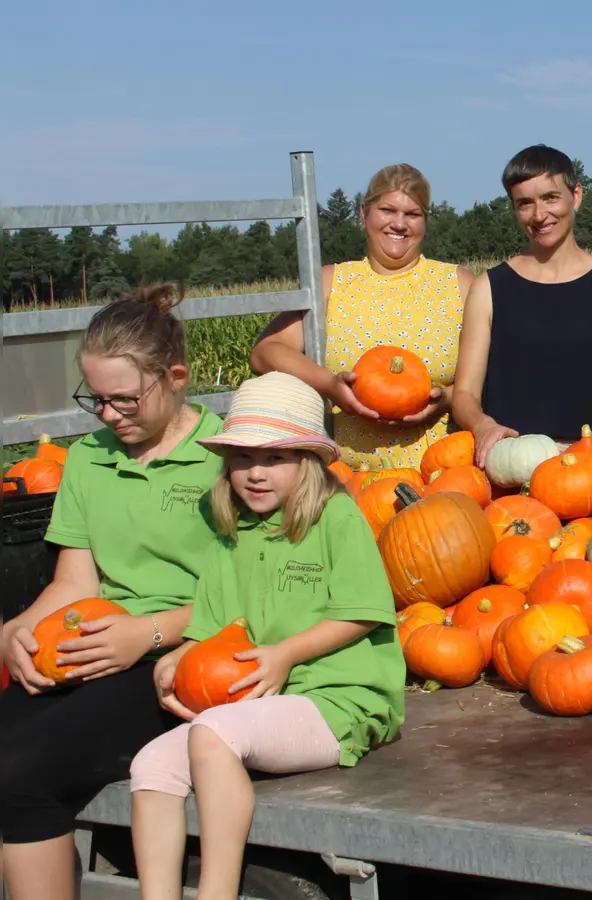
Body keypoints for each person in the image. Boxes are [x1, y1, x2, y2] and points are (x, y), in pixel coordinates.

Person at [128, 371, 404, 900]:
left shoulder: (335, 517)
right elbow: (213, 629)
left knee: (213, 734)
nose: (255, 474)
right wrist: (177, 661)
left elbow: (364, 612)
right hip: (265, 702)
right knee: (151, 766)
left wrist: (286, 654)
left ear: (309, 462)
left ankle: (217, 892)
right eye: (241, 459)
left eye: (275, 459)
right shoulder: (230, 532)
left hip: (337, 699)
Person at [0, 285, 223, 900]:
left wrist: (146, 634)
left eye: (123, 399)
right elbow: (74, 583)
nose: (107, 416)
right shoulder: (87, 460)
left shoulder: (229, 458)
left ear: (176, 377)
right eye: (94, 400)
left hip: (182, 661)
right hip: (93, 648)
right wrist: (13, 636)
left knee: (20, 772)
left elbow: (252, 594)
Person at [251, 163, 475, 471]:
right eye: (387, 210)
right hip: (346, 477)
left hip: (443, 476)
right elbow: (265, 352)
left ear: (425, 220)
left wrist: (449, 398)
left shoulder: (459, 285)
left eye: (412, 214)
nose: (399, 224)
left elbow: (499, 367)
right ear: (363, 214)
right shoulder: (330, 282)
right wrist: (330, 385)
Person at [452, 144, 592, 463]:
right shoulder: (489, 287)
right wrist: (482, 424)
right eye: (525, 203)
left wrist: (586, 455)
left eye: (550, 198)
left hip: (589, 466)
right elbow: (464, 394)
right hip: (507, 464)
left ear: (576, 195)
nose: (539, 215)